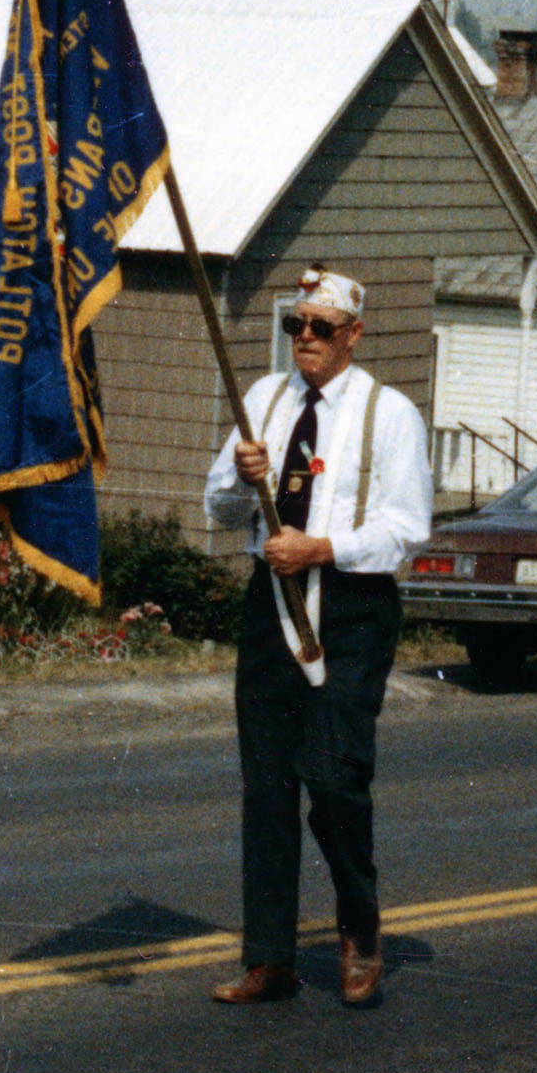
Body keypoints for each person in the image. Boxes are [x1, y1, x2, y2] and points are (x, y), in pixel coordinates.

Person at [201, 266, 432, 1007]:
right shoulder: (264, 400)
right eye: (295, 325)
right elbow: (218, 506)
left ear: (353, 335)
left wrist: (321, 548)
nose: (304, 339)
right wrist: (242, 479)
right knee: (266, 784)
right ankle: (268, 958)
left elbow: (405, 529)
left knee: (334, 778)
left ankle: (360, 928)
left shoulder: (388, 414)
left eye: (321, 328)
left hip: (350, 607)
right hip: (270, 602)